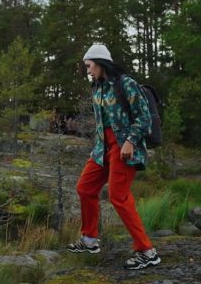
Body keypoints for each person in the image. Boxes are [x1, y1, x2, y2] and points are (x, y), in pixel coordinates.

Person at [66, 43, 160, 270]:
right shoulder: (97, 87)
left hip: (125, 147)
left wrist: (129, 142)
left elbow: (144, 117)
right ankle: (89, 240)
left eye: (89, 66)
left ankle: (146, 251)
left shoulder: (125, 84)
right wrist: (98, 146)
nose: (87, 71)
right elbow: (103, 123)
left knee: (118, 196)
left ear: (100, 62)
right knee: (85, 188)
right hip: (102, 148)